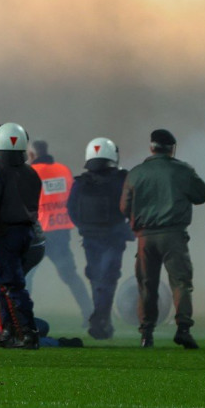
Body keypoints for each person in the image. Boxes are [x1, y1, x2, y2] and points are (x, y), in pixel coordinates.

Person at [121, 129, 205, 349]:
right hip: (174, 236)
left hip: (145, 238)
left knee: (147, 285)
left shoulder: (136, 173)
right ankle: (183, 329)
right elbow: (201, 196)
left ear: (151, 148)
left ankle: (146, 334)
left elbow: (123, 207)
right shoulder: (183, 170)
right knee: (181, 283)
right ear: (172, 149)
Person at [0, 122, 43, 349]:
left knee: (11, 283)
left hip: (5, 233)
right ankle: (8, 331)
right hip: (26, 232)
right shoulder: (30, 172)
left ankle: (27, 332)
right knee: (3, 282)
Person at [67, 137, 131, 340]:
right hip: (114, 238)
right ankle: (101, 318)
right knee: (108, 277)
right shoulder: (122, 180)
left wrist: (84, 228)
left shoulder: (80, 183)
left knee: (96, 277)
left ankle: (102, 320)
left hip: (90, 238)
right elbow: (130, 206)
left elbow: (72, 210)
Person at [25, 140, 92, 323]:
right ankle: (90, 314)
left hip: (38, 235)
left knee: (26, 277)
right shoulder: (63, 170)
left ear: (31, 155)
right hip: (61, 233)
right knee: (70, 276)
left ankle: (21, 317)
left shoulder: (30, 173)